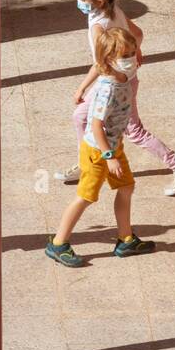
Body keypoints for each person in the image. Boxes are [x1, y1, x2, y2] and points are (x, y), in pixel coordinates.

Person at [57, 0, 175, 195]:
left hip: (114, 85)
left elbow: (100, 63)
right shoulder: (115, 11)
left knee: (133, 130)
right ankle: (88, 162)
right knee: (80, 116)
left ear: (100, 1)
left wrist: (82, 87)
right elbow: (138, 33)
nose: (79, 1)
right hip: (122, 79)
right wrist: (135, 50)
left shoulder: (98, 28)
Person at [46, 28, 156, 267]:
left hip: (113, 146)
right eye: (125, 55)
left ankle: (125, 239)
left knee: (126, 187)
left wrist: (81, 87)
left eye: (132, 51)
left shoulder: (122, 73)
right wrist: (109, 157)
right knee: (85, 197)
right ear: (110, 60)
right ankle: (58, 243)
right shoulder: (107, 89)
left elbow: (97, 65)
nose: (131, 58)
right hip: (98, 151)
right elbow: (95, 126)